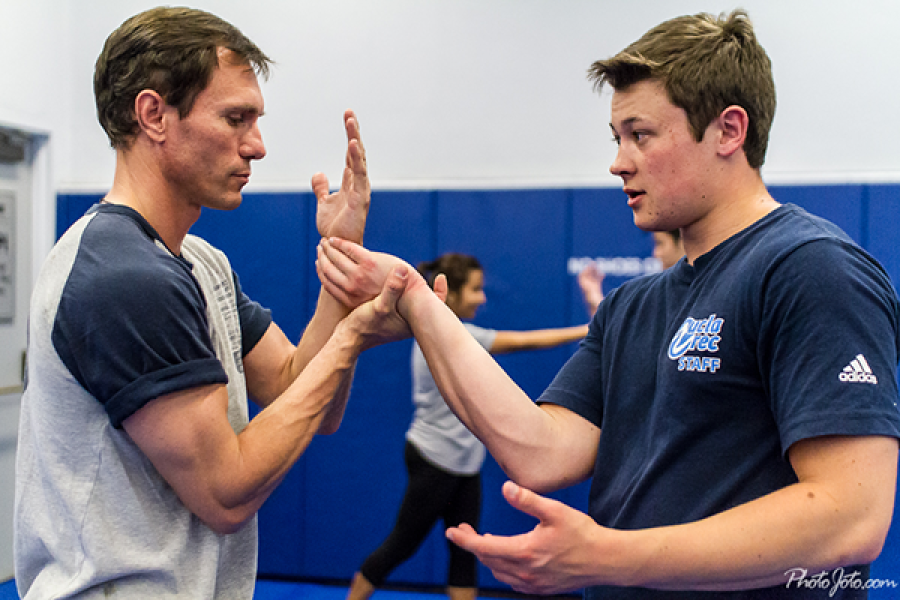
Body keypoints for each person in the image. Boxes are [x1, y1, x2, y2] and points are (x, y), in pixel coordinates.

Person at [316, 9, 900, 598]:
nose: (619, 161)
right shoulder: (631, 306)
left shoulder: (809, 268)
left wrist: (609, 556)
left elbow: (850, 515)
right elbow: (542, 452)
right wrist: (419, 305)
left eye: (640, 135)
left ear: (728, 131)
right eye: (617, 138)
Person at [14, 7, 396, 598]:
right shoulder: (123, 275)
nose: (258, 146)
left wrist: (341, 273)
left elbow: (309, 399)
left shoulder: (198, 263)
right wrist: (354, 335)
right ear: (153, 115)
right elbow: (226, 493)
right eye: (235, 118)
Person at [348, 253, 603, 600]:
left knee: (465, 549)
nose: (483, 298)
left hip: (464, 463)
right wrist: (593, 331)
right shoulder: (450, 335)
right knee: (401, 544)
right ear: (450, 294)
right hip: (434, 459)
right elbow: (525, 341)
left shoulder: (454, 332)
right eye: (476, 290)